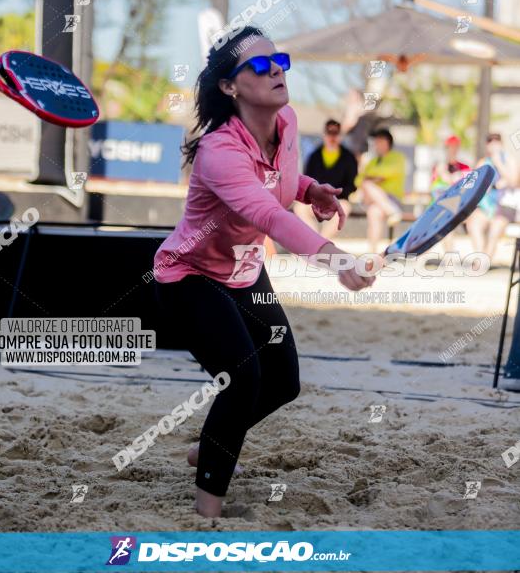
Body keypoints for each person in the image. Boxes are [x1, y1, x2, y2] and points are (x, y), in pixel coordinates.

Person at [153, 26, 377, 518]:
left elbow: (281, 180)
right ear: (230, 87)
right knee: (242, 378)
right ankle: (205, 514)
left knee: (284, 381)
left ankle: (213, 442)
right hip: (190, 275)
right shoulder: (219, 151)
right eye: (259, 65)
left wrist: (310, 188)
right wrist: (336, 260)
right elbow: (269, 217)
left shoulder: (289, 120)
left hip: (244, 272)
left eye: (279, 60)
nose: (275, 69)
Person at [467, 133, 518, 265]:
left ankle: (484, 263)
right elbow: (475, 185)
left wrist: (498, 163)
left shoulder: (509, 160)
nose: (493, 145)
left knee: (495, 229)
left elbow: (513, 181)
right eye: (490, 142)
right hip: (487, 206)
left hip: (505, 206)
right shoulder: (483, 162)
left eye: (496, 141)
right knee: (473, 223)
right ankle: (480, 259)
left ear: (501, 144)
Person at [302, 118, 358, 237]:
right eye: (329, 133)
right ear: (324, 135)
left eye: (336, 133)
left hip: (338, 200)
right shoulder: (314, 156)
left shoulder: (349, 157)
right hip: (316, 201)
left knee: (345, 207)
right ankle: (316, 240)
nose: (332, 137)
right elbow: (306, 180)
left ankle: (321, 241)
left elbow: (352, 184)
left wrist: (335, 196)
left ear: (340, 135)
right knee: (300, 208)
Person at [356, 128, 407, 253]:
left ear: (387, 142)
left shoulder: (398, 157)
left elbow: (389, 172)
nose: (376, 144)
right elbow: (358, 180)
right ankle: (392, 212)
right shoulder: (373, 161)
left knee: (374, 211)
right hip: (373, 200)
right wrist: (377, 178)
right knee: (368, 187)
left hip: (392, 199)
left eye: (379, 140)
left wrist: (371, 177)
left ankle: (372, 253)